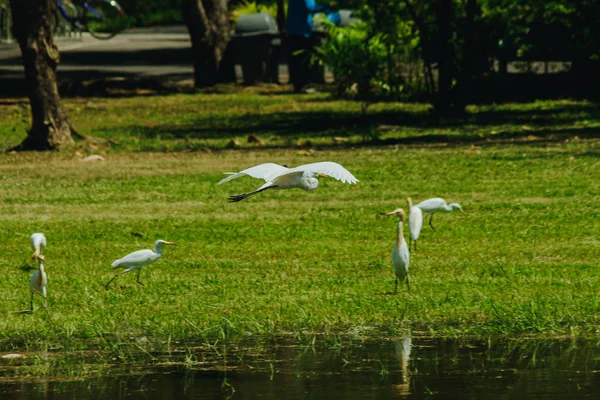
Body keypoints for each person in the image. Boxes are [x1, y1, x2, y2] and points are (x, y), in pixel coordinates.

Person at [286, 0, 336, 93]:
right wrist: (328, 5)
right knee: (305, 60)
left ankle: (298, 86)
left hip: (292, 30)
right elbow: (311, 8)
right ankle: (304, 86)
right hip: (302, 32)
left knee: (295, 61)